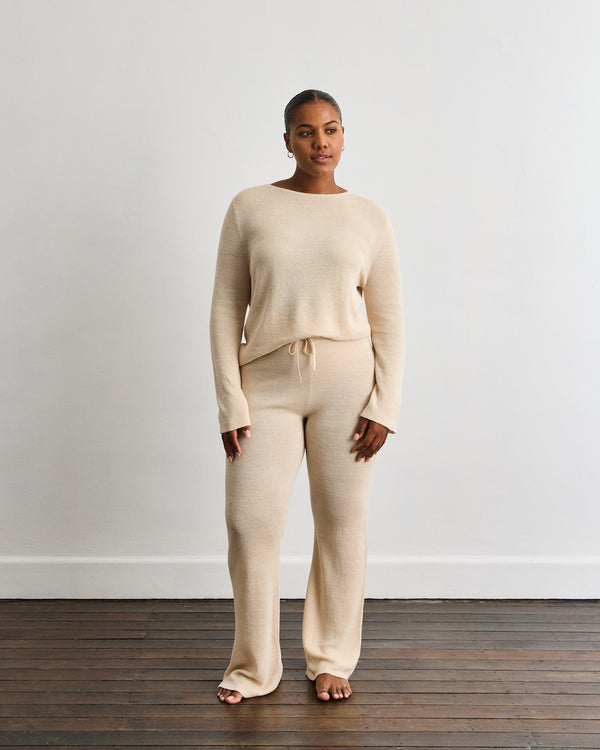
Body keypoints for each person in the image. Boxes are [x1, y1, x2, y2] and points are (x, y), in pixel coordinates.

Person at [209, 89, 405, 704]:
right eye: (306, 131)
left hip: (347, 381)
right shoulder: (250, 207)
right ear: (287, 140)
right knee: (249, 523)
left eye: (331, 129)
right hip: (266, 380)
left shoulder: (369, 217)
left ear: (344, 137)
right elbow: (225, 309)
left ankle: (331, 658)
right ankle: (254, 668)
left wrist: (384, 405)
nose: (321, 142)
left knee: (342, 522)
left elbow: (390, 322)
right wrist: (230, 401)